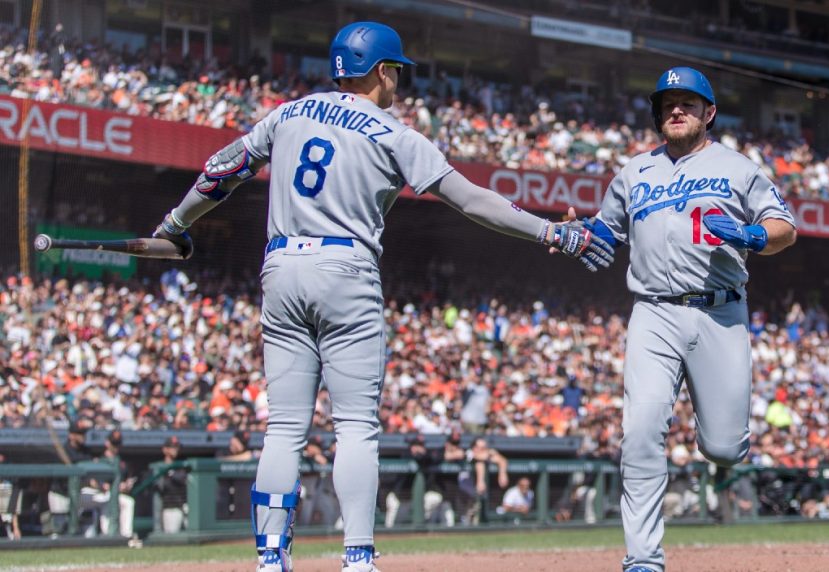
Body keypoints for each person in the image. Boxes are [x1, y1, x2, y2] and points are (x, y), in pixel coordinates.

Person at [150, 20, 612, 572]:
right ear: (381, 71)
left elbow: (220, 171)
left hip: (281, 264)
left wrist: (175, 224)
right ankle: (358, 558)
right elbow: (471, 200)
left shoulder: (289, 112)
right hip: (345, 266)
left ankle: (271, 559)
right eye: (396, 71)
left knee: (285, 427)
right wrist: (551, 232)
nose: (398, 81)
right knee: (355, 426)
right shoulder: (395, 133)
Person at [574, 66, 797, 572]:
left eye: (688, 103)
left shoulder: (738, 168)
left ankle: (717, 442)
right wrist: (584, 237)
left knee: (723, 448)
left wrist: (756, 236)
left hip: (720, 312)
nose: (677, 110)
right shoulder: (633, 173)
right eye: (668, 103)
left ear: (708, 113)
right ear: (658, 113)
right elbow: (606, 233)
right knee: (641, 430)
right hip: (653, 311)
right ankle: (643, 559)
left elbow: (785, 227)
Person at [155, 436, 189, 533]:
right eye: (172, 447)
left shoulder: (181, 466)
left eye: (177, 447)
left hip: (184, 506)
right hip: (170, 508)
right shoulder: (158, 467)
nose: (176, 449)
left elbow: (183, 479)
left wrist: (172, 473)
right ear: (165, 449)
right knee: (172, 539)